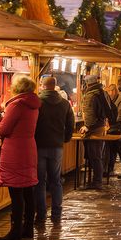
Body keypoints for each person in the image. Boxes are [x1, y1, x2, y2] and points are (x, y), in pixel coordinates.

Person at [0, 75, 40, 240]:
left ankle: (15, 231)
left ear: (18, 88)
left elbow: (5, 129)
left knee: (16, 192)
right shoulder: (33, 104)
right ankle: (28, 228)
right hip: (28, 148)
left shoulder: (16, 105)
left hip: (15, 151)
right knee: (28, 191)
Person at [34, 76, 74, 226]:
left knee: (40, 182)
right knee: (56, 181)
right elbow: (70, 124)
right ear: (55, 86)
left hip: (39, 145)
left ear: (43, 86)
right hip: (57, 146)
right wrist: (65, 138)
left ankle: (41, 214)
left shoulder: (37, 103)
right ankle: (56, 214)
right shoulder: (64, 103)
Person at [79, 74, 115, 190]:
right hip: (101, 125)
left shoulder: (91, 95)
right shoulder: (102, 92)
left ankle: (96, 182)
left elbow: (89, 113)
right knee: (97, 154)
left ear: (88, 83)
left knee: (94, 155)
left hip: (94, 128)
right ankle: (95, 180)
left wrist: (87, 126)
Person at [106, 83, 121, 178]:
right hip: (112, 128)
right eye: (109, 91)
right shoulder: (111, 99)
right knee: (112, 150)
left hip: (120, 127)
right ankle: (110, 169)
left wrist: (120, 123)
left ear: (115, 91)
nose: (110, 93)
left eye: (111, 91)